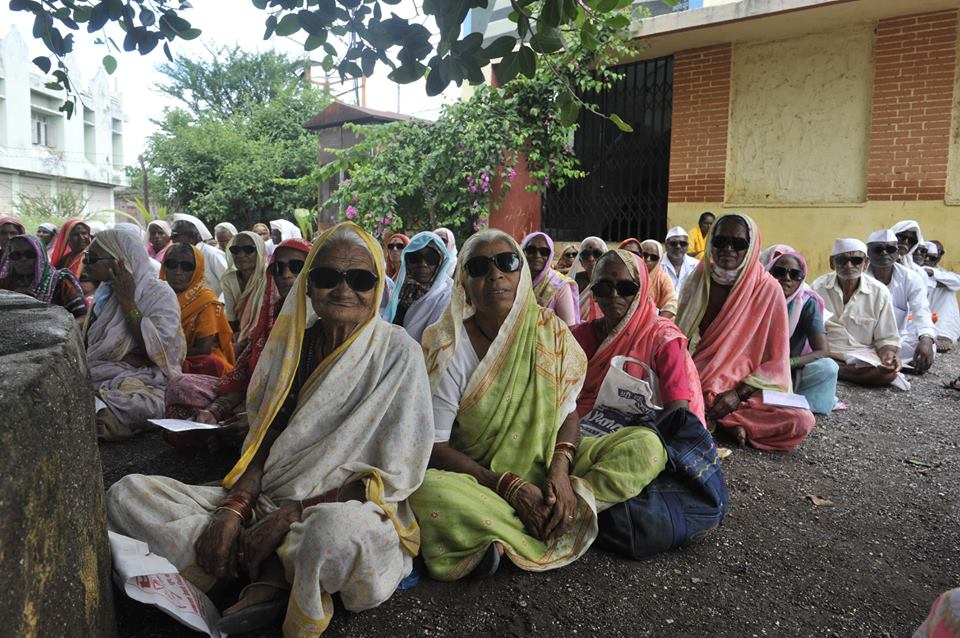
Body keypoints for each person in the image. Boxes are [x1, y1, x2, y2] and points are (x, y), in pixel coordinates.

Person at [107, 222, 433, 636]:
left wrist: (290, 516)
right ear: (310, 288)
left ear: (378, 288)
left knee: (334, 538)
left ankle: (269, 572)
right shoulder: (292, 344)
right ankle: (255, 558)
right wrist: (234, 509)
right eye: (328, 277)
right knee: (127, 494)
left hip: (339, 507)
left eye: (361, 278)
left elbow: (395, 476)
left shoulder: (399, 352)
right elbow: (266, 436)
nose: (343, 289)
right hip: (268, 495)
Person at [410, 230, 667, 580]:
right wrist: (507, 486)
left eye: (507, 262)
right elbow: (435, 447)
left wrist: (560, 471)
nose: (495, 274)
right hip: (479, 477)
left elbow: (569, 414)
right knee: (426, 491)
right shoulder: (447, 345)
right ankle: (560, 520)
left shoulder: (551, 332)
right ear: (464, 284)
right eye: (479, 267)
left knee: (645, 445)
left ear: (523, 274)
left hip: (548, 464)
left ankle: (547, 514)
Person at [675, 214, 815, 451]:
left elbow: (776, 360)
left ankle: (714, 419)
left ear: (751, 248)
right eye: (720, 242)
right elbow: (682, 338)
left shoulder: (768, 288)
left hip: (747, 386)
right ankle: (722, 421)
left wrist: (737, 395)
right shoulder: (698, 278)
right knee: (672, 396)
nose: (728, 249)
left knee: (801, 419)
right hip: (700, 375)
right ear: (710, 243)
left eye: (738, 244)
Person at [167, 238, 314, 432]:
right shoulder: (271, 317)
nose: (285, 274)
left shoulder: (321, 320)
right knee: (180, 386)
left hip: (292, 405)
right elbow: (245, 374)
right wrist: (216, 410)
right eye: (278, 268)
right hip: (252, 395)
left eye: (296, 266)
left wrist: (254, 415)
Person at [571, 249, 705, 423]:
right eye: (603, 287)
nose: (614, 295)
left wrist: (627, 435)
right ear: (594, 292)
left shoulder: (663, 339)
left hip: (645, 430)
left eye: (626, 288)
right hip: (584, 423)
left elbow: (677, 408)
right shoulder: (580, 335)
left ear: (641, 291)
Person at [83, 225, 186, 441]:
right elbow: (96, 346)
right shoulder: (104, 293)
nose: (86, 262)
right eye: (86, 256)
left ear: (119, 261)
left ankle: (106, 415)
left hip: (148, 376)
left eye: (92, 258)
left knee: (143, 404)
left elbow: (161, 353)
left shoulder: (159, 293)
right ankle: (104, 414)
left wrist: (128, 302)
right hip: (106, 370)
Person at [811, 239, 902, 388]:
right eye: (842, 260)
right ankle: (830, 369)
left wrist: (888, 357)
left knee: (888, 373)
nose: (849, 265)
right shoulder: (817, 288)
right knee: (809, 359)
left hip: (861, 356)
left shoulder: (880, 292)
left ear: (865, 263)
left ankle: (834, 371)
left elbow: (886, 338)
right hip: (825, 353)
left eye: (856, 260)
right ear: (832, 262)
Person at [764, 246, 838, 414]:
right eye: (780, 272)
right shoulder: (756, 297)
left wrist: (789, 363)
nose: (786, 278)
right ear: (769, 272)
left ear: (802, 279)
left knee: (828, 368)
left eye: (795, 274)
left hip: (790, 366)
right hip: (754, 365)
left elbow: (822, 351)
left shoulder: (806, 303)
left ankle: (795, 404)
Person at [865, 229, 936, 374]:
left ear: (897, 253)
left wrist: (927, 338)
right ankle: (891, 364)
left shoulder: (911, 278)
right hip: (862, 341)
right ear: (868, 254)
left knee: (926, 344)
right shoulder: (858, 276)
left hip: (895, 341)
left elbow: (921, 311)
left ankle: (878, 363)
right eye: (878, 249)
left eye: (890, 249)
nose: (884, 253)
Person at [160, 243, 236, 376]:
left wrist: (159, 354)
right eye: (172, 264)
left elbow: (203, 349)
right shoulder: (156, 295)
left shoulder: (206, 300)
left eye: (186, 267)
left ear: (197, 270)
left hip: (197, 362)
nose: (178, 272)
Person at [382, 231, 453, 343]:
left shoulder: (447, 295)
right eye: (415, 258)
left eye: (431, 259)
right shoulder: (402, 290)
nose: (423, 264)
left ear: (440, 262)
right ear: (407, 261)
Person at [0, 234, 87, 318]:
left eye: (29, 254)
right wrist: (12, 297)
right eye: (16, 255)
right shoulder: (6, 282)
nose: (23, 260)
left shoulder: (60, 281)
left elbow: (82, 317)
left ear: (41, 256)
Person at [520, 231, 579, 326]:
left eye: (544, 252)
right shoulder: (515, 279)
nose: (537, 255)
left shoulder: (559, 285)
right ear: (523, 251)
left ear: (550, 255)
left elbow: (569, 327)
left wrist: (544, 314)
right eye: (531, 250)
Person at [221, 231, 267, 349]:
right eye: (235, 250)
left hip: (266, 337)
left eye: (248, 249)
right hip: (240, 335)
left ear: (259, 252)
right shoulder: (229, 280)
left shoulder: (269, 277)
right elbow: (232, 320)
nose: (241, 255)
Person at [170, 217, 228, 297]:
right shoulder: (179, 256)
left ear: (191, 237)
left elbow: (229, 284)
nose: (171, 239)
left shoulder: (212, 254)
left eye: (175, 235)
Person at [920, 241, 960, 352]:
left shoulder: (940, 272)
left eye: (932, 257)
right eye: (926, 255)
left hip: (933, 314)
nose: (927, 260)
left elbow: (957, 282)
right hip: (913, 313)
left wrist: (932, 273)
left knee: (948, 291)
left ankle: (943, 335)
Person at [570, 236, 607, 322]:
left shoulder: (613, 283)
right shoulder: (573, 283)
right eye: (585, 255)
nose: (591, 259)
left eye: (597, 254)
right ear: (581, 261)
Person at [639, 239, 677, 318]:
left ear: (659, 259)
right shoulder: (631, 274)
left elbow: (671, 304)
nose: (648, 259)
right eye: (644, 255)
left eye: (653, 257)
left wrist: (656, 324)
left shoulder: (663, 278)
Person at [662, 226, 698, 297]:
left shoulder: (696, 265)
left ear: (687, 246)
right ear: (666, 245)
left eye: (683, 244)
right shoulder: (657, 264)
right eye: (673, 243)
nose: (678, 247)